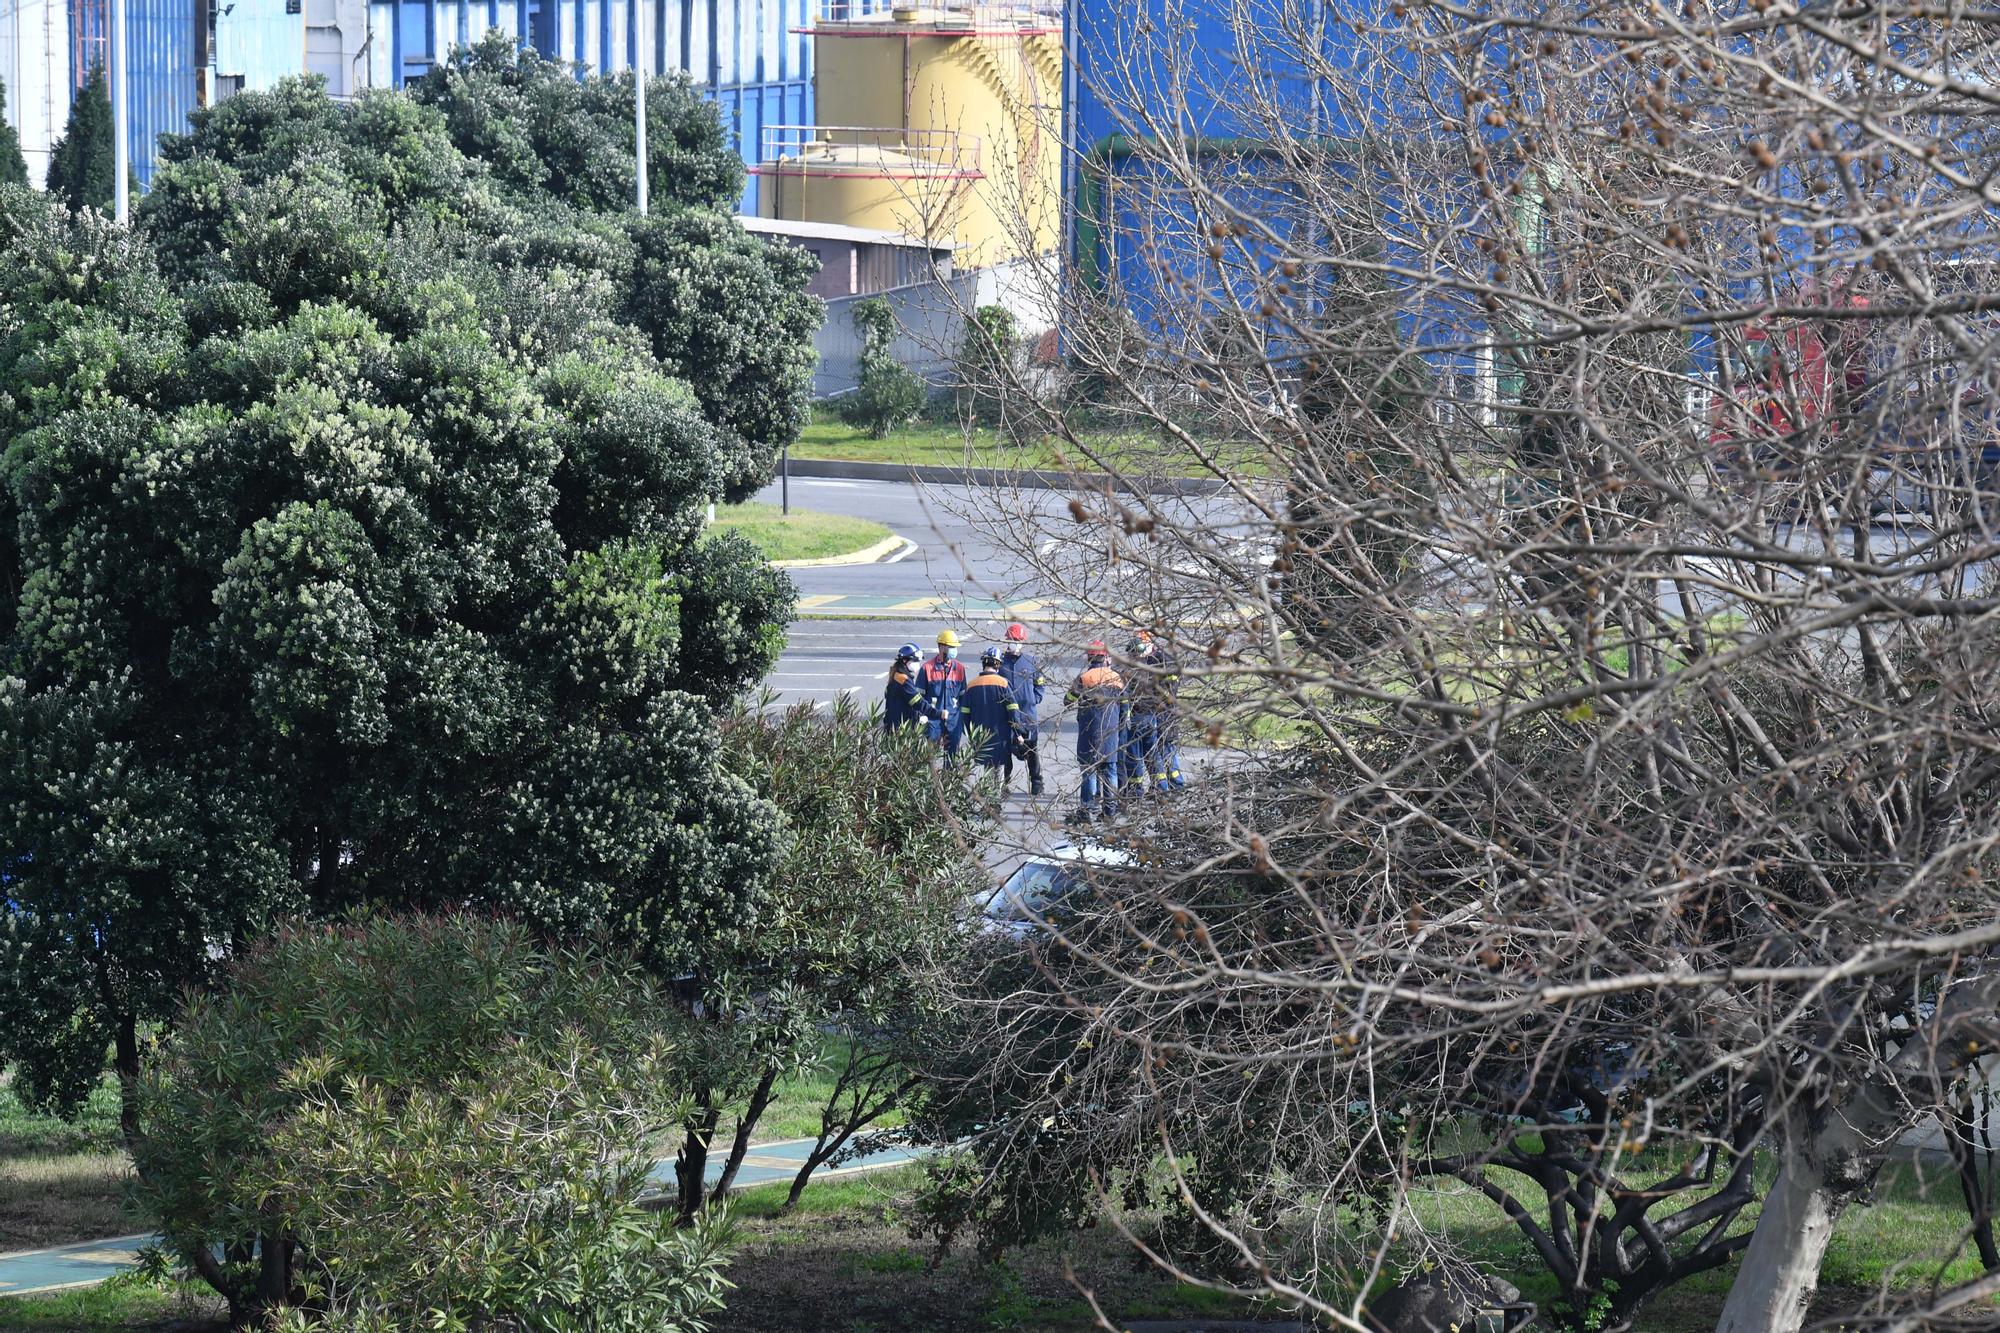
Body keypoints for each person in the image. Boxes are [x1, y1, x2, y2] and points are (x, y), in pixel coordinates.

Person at [1065, 640, 1127, 823]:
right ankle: (1109, 812)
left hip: (1089, 734)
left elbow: (1068, 700)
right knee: (1110, 772)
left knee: (1089, 773)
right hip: (1111, 733)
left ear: (1089, 657)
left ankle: (1087, 811)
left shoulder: (1084, 678)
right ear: (1106, 657)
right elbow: (1125, 706)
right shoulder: (1117, 678)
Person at [1123, 633, 1187, 792]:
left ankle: (1174, 784)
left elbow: (1164, 690)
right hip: (1160, 712)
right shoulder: (1155, 661)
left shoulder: (1158, 661)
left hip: (1162, 713)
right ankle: (1165, 784)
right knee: (1159, 751)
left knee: (1164, 749)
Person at [998, 622, 1046, 796]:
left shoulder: (1032, 661)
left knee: (1032, 750)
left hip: (1028, 716)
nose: (1015, 642)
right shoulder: (1000, 662)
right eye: (1012, 639)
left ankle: (1037, 783)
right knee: (1005, 752)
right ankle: (1004, 784)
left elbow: (1039, 685)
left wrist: (1034, 699)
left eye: (1018, 640)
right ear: (1007, 641)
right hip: (1006, 717)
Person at [960, 647, 1022, 779]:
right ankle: (994, 796)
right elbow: (1013, 710)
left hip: (980, 736)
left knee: (987, 767)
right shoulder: (1003, 683)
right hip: (1000, 735)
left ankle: (988, 795)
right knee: (998, 768)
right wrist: (1018, 733)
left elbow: (964, 714)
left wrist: (970, 734)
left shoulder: (971, 685)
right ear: (998, 664)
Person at [920, 630, 969, 757]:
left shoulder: (959, 668)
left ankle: (949, 777)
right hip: (932, 720)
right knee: (930, 758)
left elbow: (963, 696)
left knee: (952, 758)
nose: (954, 650)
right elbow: (919, 697)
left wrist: (963, 720)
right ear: (942, 647)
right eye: (951, 646)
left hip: (954, 720)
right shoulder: (927, 668)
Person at [883, 643, 929, 732]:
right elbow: (917, 702)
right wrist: (938, 713)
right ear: (905, 661)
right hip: (900, 730)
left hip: (896, 727)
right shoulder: (902, 679)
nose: (918, 664)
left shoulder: (898, 676)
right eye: (915, 661)